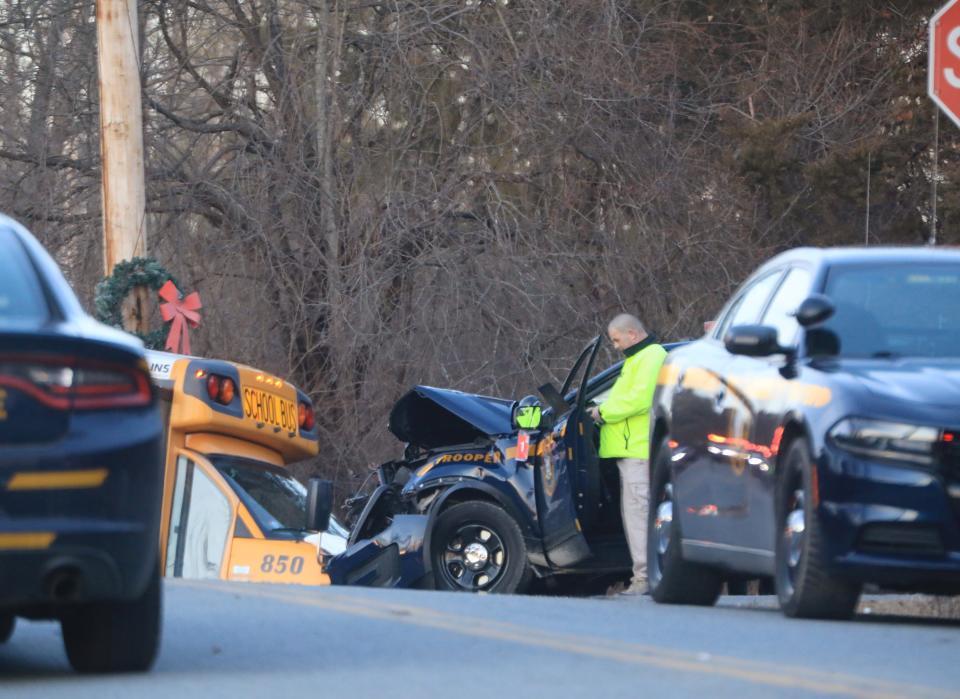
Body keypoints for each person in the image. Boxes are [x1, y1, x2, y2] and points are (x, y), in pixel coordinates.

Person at [587, 313, 666, 596]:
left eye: (617, 340)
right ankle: (644, 576)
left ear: (632, 333)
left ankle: (645, 578)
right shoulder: (638, 359)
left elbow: (639, 399)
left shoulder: (651, 357)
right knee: (635, 515)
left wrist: (601, 412)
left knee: (640, 516)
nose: (616, 346)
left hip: (639, 451)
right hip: (631, 452)